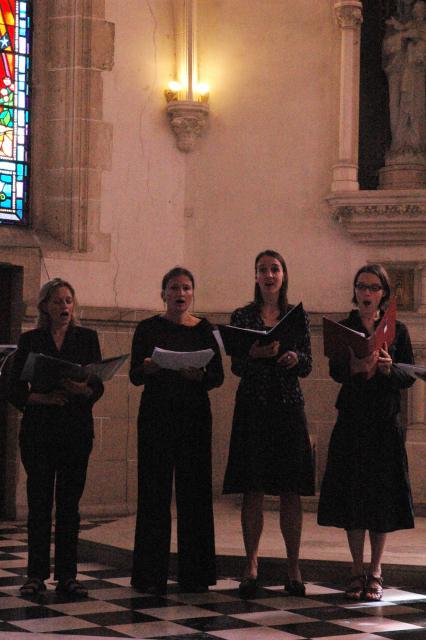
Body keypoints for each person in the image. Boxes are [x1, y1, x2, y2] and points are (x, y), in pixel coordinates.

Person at [318, 264, 415, 602]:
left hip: (384, 423)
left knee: (381, 497)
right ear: (355, 291)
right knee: (353, 493)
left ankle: (376, 570)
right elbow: (334, 370)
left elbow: (409, 375)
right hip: (353, 420)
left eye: (373, 288)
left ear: (383, 294)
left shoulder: (398, 330)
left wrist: (389, 369)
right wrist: (354, 368)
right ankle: (356, 569)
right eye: (361, 287)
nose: (366, 293)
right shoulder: (344, 328)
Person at [223, 250, 314, 598]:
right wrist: (254, 355)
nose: (269, 275)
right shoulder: (243, 315)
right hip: (254, 408)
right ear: (256, 276)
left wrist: (294, 358)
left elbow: (307, 364)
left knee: (290, 490)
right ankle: (251, 565)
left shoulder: (295, 315)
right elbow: (235, 366)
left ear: (284, 275)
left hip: (288, 406)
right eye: (262, 269)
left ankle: (293, 566)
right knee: (254, 487)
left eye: (275, 269)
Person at [130, 267, 224, 595]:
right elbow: (134, 375)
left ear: (192, 293)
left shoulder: (205, 329)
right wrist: (147, 367)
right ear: (164, 293)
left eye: (186, 288)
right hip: (156, 417)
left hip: (194, 418)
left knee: (195, 495)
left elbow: (217, 376)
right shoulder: (147, 328)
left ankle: (195, 576)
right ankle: (149, 576)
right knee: (154, 494)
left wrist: (200, 376)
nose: (180, 294)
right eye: (174, 288)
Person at [9, 278, 104, 597]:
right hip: (40, 430)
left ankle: (67, 576)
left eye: (68, 301)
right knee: (39, 505)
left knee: (69, 506)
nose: (64, 306)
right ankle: (35, 575)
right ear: (45, 307)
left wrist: (85, 390)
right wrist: (39, 399)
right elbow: (11, 387)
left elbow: (97, 385)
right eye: (57, 301)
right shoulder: (31, 340)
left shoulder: (87, 338)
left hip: (75, 430)